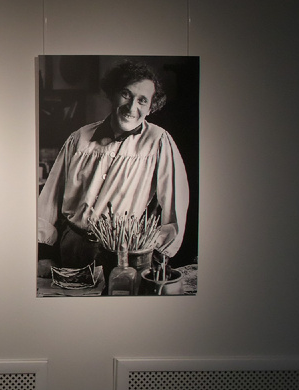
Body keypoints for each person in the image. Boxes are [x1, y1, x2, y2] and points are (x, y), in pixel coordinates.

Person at [37, 59, 189, 270]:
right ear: (112, 93)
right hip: (71, 246)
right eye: (126, 94)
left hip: (120, 252)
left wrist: (158, 254)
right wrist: (43, 252)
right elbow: (51, 196)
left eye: (142, 100)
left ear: (151, 107)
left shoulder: (158, 141)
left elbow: (175, 208)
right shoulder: (79, 138)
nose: (132, 107)